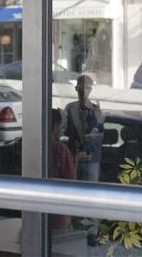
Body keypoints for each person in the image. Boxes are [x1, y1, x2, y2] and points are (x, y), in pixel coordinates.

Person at [64, 74, 104, 245]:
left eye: (87, 88)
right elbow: (65, 131)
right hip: (74, 156)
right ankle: (75, 228)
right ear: (76, 89)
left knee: (91, 195)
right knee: (73, 193)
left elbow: (99, 134)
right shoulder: (70, 108)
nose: (83, 91)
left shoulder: (96, 110)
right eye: (81, 87)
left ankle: (91, 232)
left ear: (91, 90)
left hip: (92, 159)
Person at [50, 108, 77, 232]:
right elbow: (71, 181)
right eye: (61, 127)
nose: (63, 131)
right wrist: (76, 161)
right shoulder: (61, 150)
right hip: (57, 210)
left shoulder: (29, 146)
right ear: (55, 126)